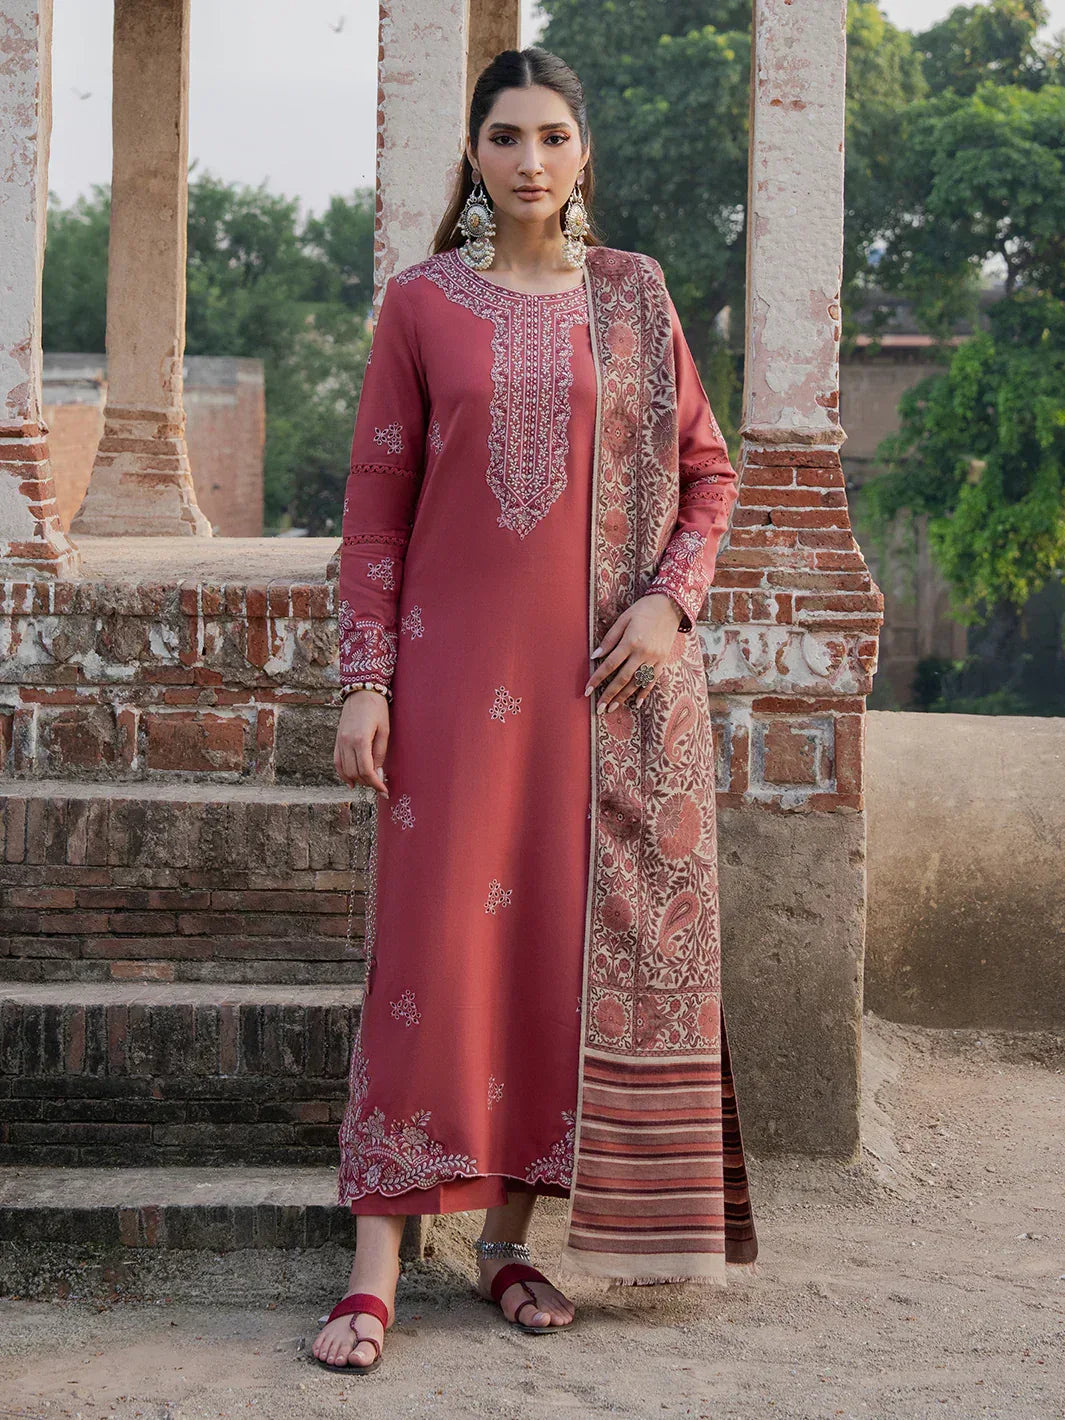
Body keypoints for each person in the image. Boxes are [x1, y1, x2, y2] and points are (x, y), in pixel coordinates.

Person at [313, 45, 758, 1375]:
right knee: (430, 962)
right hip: (449, 694)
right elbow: (373, 511)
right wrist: (362, 680)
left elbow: (709, 475)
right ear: (472, 152)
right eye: (504, 137)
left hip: (596, 697)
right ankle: (375, 1268)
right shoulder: (418, 308)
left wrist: (669, 604)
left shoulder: (632, 300)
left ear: (583, 153)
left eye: (553, 137)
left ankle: (514, 1243)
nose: (529, 162)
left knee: (557, 963)